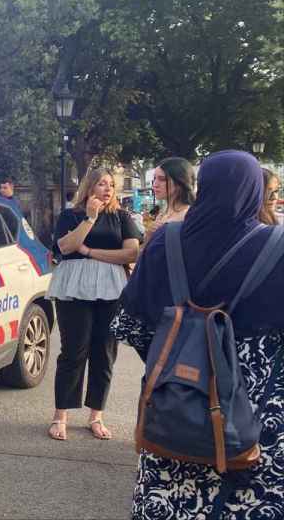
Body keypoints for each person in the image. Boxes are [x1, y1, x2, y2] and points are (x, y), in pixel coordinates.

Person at [114, 151, 284, 518]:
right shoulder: (278, 248)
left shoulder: (164, 242)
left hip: (176, 409)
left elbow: (130, 327)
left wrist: (179, 361)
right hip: (253, 421)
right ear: (255, 192)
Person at [46, 168, 141, 441]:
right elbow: (64, 247)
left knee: (104, 352)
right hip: (74, 288)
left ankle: (96, 415)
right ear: (89, 188)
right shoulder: (71, 215)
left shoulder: (122, 217)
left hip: (111, 289)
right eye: (102, 183)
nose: (108, 189)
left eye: (111, 184)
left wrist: (89, 252)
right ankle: (60, 415)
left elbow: (131, 252)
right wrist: (90, 218)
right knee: (73, 350)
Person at [149, 157, 196, 234]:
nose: (155, 184)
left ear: (179, 182)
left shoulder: (188, 216)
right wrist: (149, 235)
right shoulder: (161, 215)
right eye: (154, 178)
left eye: (162, 179)